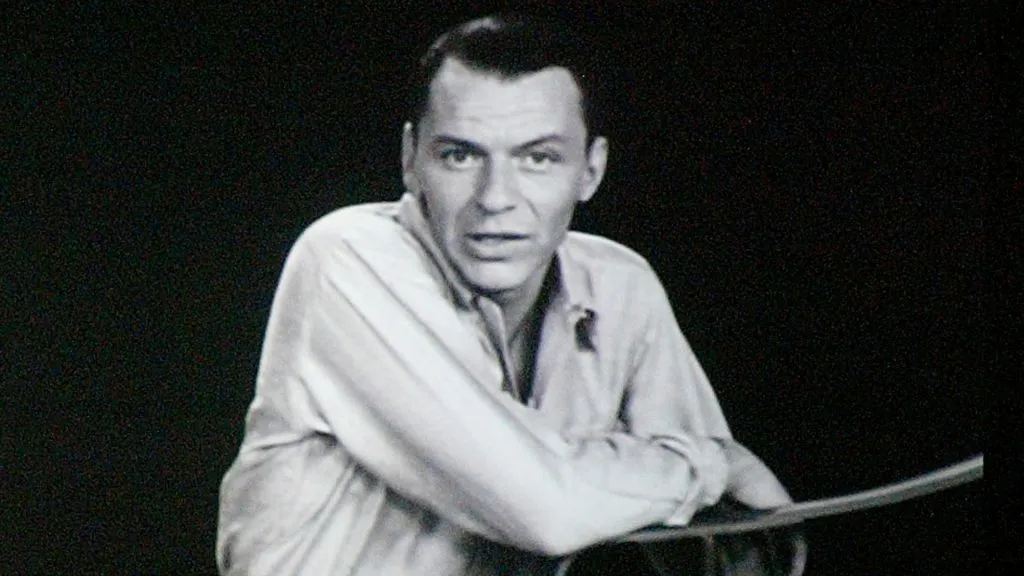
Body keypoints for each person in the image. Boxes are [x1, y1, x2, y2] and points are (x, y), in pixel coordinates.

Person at [217, 14, 798, 576]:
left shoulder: (620, 286)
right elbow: (546, 508)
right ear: (410, 160)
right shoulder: (344, 259)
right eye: (460, 156)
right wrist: (713, 464)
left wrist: (714, 496)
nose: (496, 198)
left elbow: (728, 542)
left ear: (590, 171)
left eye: (537, 158)